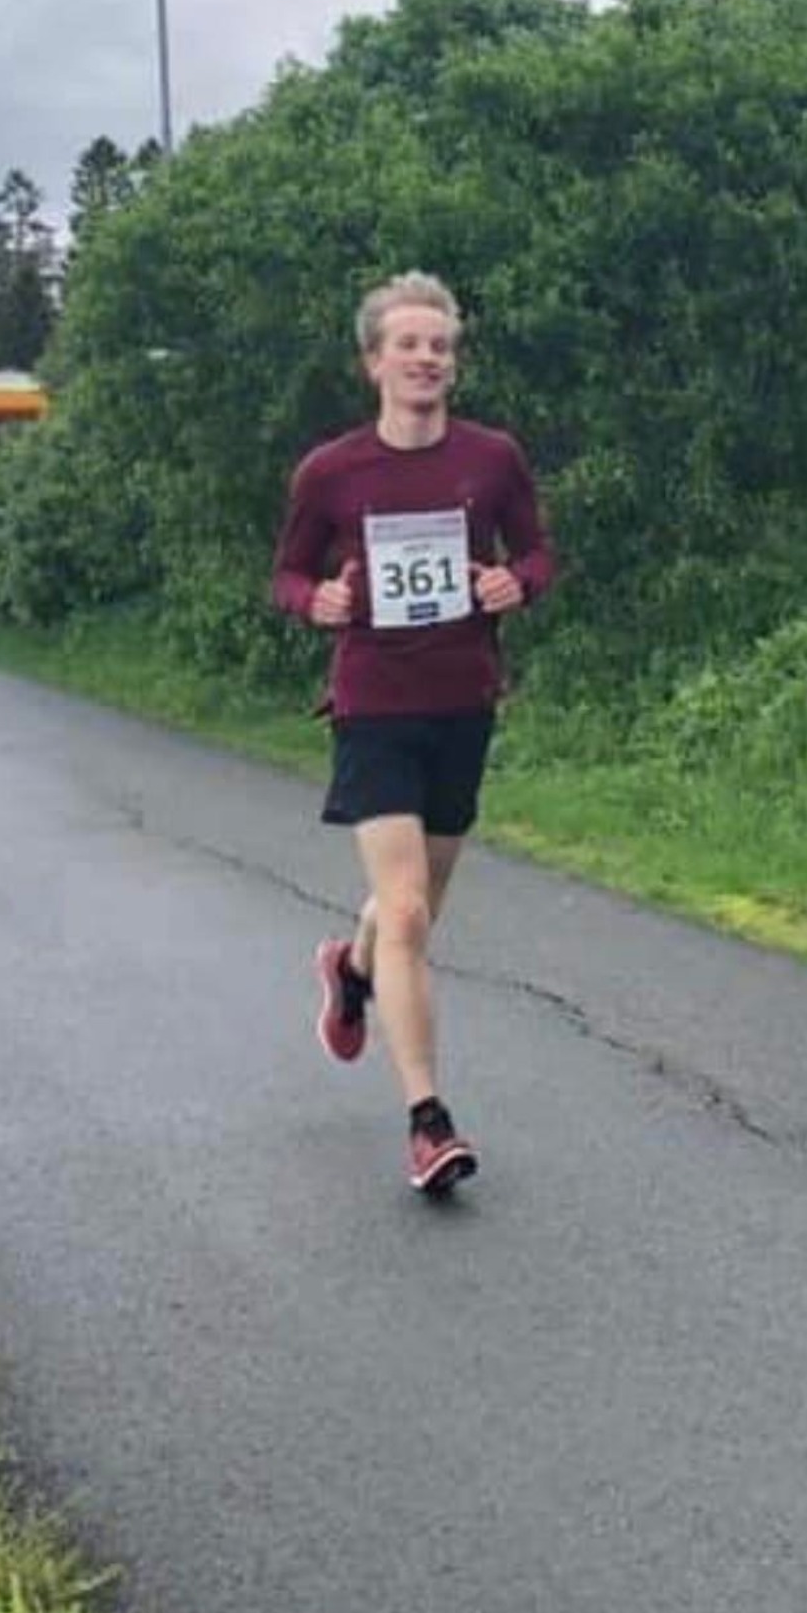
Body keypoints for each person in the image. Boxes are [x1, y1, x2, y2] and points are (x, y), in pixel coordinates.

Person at [272, 270, 556, 1197]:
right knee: (403, 911)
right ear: (374, 361)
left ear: (452, 362)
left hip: (462, 700)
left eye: (440, 345)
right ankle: (428, 1121)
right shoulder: (331, 471)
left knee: (416, 909)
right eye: (409, 344)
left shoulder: (492, 459)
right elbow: (287, 574)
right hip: (373, 703)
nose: (427, 358)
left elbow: (537, 551)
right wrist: (316, 600)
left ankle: (349, 971)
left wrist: (519, 583)